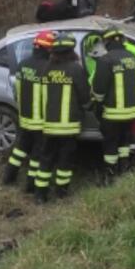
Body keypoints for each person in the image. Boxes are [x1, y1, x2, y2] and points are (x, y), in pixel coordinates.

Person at [34, 35, 89, 203]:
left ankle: (40, 195)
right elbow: (84, 97)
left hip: (49, 125)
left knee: (46, 159)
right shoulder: (75, 69)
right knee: (65, 161)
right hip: (68, 126)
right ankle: (61, 193)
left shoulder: (46, 69)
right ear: (71, 51)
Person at [3, 30, 55, 189]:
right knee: (37, 154)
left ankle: (8, 177)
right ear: (48, 49)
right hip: (40, 121)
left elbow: (16, 92)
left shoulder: (22, 65)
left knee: (20, 149)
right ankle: (30, 185)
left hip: (25, 117)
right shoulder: (48, 68)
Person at [91, 29, 135, 181]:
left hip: (113, 113)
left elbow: (99, 88)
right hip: (132, 111)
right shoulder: (132, 57)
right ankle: (124, 168)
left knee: (110, 142)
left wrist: (97, 104)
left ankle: (110, 174)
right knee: (124, 139)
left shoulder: (105, 60)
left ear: (107, 42)